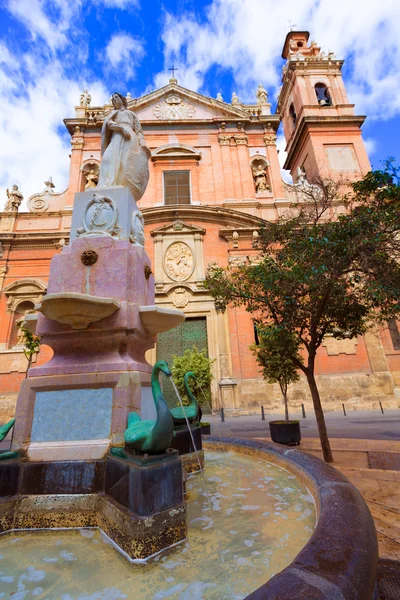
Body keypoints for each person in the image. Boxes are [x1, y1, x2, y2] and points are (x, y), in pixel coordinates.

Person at [98, 92, 150, 201]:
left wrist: (143, 144)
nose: (114, 99)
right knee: (107, 159)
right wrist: (121, 128)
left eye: (116, 97)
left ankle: (120, 185)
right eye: (112, 99)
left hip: (130, 138)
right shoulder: (113, 114)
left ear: (122, 99)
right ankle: (108, 183)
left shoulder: (131, 114)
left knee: (125, 162)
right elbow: (109, 124)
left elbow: (139, 131)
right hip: (116, 137)